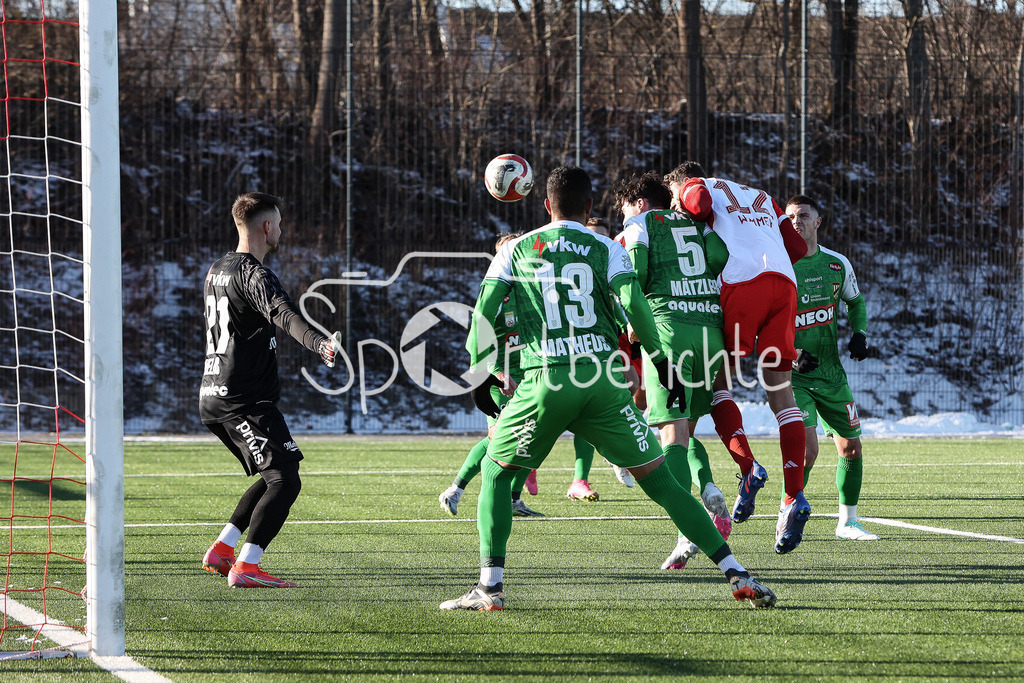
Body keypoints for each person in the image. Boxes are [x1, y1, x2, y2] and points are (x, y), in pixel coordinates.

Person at [440, 165, 775, 610]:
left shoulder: (515, 250)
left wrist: (481, 369)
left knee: (497, 475)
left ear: (545, 205)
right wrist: (660, 358)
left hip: (547, 379)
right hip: (603, 383)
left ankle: (489, 588)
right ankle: (737, 574)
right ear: (591, 207)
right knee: (664, 485)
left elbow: (483, 312)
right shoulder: (605, 246)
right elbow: (634, 303)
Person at [666, 162, 811, 554]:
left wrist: (684, 203)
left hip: (740, 283)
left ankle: (748, 468)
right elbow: (798, 247)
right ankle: (792, 497)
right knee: (782, 394)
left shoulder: (698, 185)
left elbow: (695, 202)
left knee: (718, 383)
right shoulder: (762, 195)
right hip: (783, 284)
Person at [199, 192, 343, 588]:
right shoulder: (253, 273)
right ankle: (246, 566)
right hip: (241, 398)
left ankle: (223, 550)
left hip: (214, 392)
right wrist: (319, 344)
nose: (280, 230)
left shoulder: (216, 269)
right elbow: (282, 314)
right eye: (277, 223)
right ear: (266, 226)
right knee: (285, 480)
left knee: (273, 473)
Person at [614, 171, 735, 569]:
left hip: (670, 333)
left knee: (672, 436)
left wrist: (636, 317)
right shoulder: (698, 224)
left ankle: (687, 535)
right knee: (684, 429)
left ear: (641, 204)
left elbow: (638, 274)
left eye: (625, 209)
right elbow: (721, 258)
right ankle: (707, 491)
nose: (624, 216)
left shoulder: (640, 224)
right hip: (709, 333)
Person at [786, 195, 879, 541]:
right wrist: (791, 352)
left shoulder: (837, 264)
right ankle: (788, 511)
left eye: (804, 215)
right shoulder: (778, 265)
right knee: (808, 451)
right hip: (793, 375)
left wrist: (859, 334)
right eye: (791, 216)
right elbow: (762, 324)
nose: (797, 221)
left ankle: (847, 522)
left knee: (851, 448)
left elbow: (856, 303)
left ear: (818, 221)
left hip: (831, 375)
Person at [439, 233, 543, 518]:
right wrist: (497, 373)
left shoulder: (532, 292)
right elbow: (477, 340)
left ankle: (513, 500)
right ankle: (454, 490)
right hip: (501, 380)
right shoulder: (497, 295)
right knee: (500, 438)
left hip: (531, 376)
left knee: (533, 436)